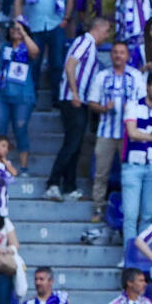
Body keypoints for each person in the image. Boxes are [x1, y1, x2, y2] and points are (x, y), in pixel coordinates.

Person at [45, 17, 111, 203]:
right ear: (99, 29)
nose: (107, 36)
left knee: (76, 144)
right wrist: (74, 92)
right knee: (72, 143)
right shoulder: (84, 42)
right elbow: (70, 64)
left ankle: (69, 186)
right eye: (106, 32)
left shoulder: (90, 46)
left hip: (78, 100)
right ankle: (53, 183)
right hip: (72, 99)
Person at [89, 42, 147, 222]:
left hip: (129, 134)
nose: (118, 56)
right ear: (111, 55)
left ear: (127, 56)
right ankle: (98, 208)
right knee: (101, 172)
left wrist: (132, 109)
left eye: (122, 53)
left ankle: (129, 210)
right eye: (115, 52)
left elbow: (144, 102)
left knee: (129, 174)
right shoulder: (102, 76)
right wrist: (104, 108)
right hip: (106, 132)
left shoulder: (136, 76)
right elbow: (92, 103)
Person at [0, 20, 39, 178]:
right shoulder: (3, 47)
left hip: (23, 96)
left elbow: (35, 52)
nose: (15, 30)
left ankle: (23, 168)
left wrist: (24, 33)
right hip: (0, 94)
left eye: (19, 28)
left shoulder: (27, 47)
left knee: (20, 128)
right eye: (13, 28)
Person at [121, 72, 152, 246]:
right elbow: (133, 134)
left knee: (148, 215)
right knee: (130, 215)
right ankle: (129, 257)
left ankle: (141, 257)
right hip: (133, 165)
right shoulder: (133, 105)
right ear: (148, 86)